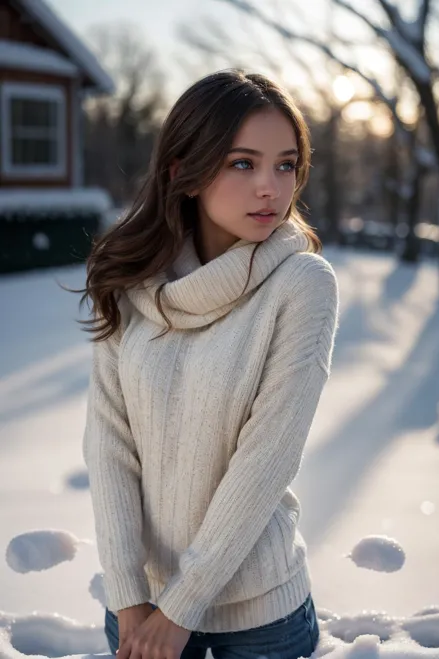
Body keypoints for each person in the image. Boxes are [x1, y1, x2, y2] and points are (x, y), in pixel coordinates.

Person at [81, 69, 339, 659]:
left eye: (286, 164)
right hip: (137, 607)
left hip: (258, 621)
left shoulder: (300, 284)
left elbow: (267, 458)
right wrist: (128, 598)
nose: (271, 188)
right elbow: (109, 445)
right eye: (243, 163)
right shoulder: (130, 281)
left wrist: (181, 607)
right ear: (183, 171)